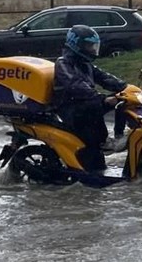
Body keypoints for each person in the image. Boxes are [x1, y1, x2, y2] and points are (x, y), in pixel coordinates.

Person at [53, 24, 128, 173]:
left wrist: (124, 86)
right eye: (89, 46)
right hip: (71, 108)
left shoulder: (85, 63)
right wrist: (102, 99)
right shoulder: (63, 64)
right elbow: (75, 85)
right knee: (92, 143)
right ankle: (97, 149)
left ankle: (118, 136)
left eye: (93, 46)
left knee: (123, 102)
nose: (92, 50)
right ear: (76, 45)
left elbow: (103, 77)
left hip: (87, 103)